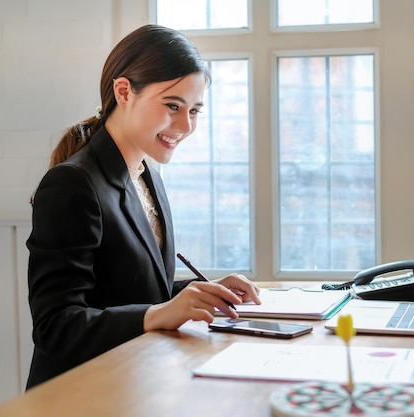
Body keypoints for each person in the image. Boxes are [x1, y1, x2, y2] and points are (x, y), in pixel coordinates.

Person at [26, 24, 261, 389]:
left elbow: (133, 292)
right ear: (124, 92)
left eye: (195, 110)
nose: (185, 126)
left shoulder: (146, 174)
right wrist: (162, 312)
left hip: (139, 380)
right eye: (172, 106)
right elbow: (56, 327)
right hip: (81, 396)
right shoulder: (72, 183)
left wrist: (199, 292)